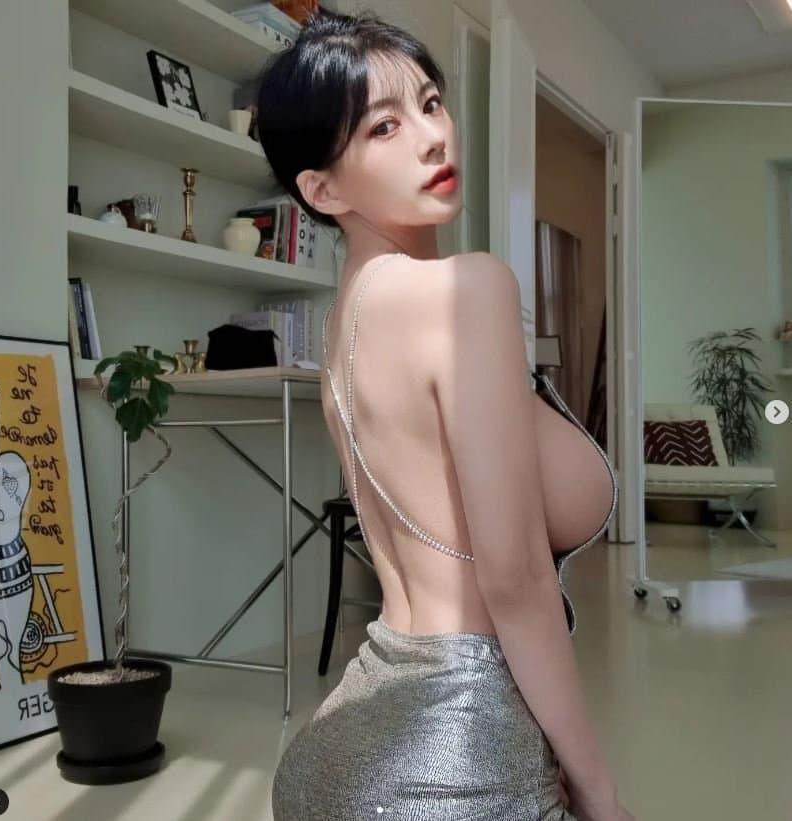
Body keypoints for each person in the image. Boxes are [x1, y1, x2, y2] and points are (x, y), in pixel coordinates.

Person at [256, 9, 635, 820]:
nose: (432, 137)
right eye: (384, 126)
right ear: (322, 190)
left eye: (431, 103)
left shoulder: (345, 325)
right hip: (455, 757)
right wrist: (598, 790)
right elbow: (514, 577)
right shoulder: (466, 288)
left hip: (342, 740)